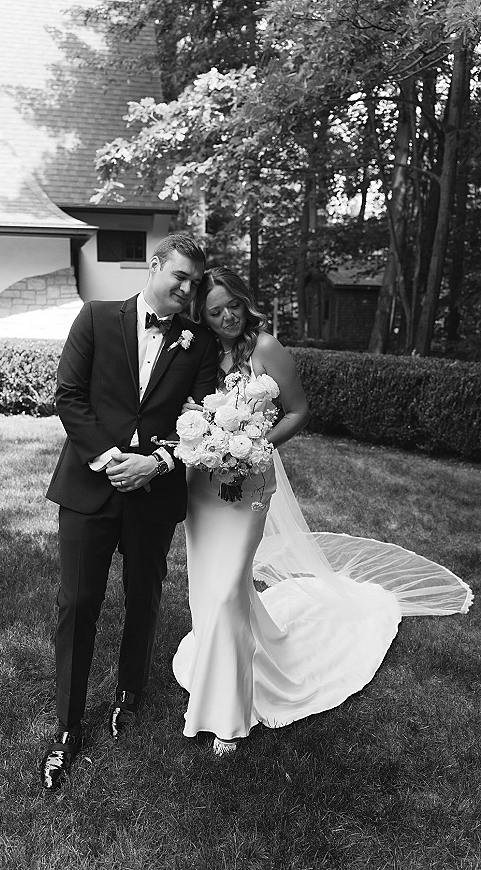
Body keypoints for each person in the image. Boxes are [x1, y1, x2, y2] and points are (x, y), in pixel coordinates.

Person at [172, 267, 473, 756]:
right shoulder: (200, 349)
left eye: (233, 305)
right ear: (201, 316)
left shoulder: (265, 347)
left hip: (249, 482)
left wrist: (255, 446)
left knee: (227, 590)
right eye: (215, 310)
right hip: (203, 486)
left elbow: (298, 411)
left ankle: (228, 716)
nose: (227, 316)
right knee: (211, 592)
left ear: (246, 302)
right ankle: (218, 668)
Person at [40, 234, 219, 790]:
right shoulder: (95, 317)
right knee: (78, 602)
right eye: (180, 276)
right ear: (154, 265)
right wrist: (109, 458)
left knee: (144, 595)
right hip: (89, 486)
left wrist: (157, 463)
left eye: (194, 283)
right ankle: (68, 726)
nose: (187, 290)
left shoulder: (199, 342)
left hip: (153, 492)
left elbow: (203, 422)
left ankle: (129, 693)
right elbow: (69, 395)